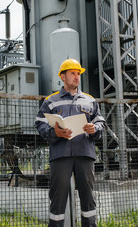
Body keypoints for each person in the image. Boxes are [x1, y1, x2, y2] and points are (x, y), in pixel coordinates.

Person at [35, 59, 106, 227]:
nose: (76, 77)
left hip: (84, 154)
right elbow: (40, 123)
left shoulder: (89, 100)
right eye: (72, 73)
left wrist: (93, 128)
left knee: (88, 197)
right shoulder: (51, 101)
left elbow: (101, 123)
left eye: (78, 74)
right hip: (61, 155)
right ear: (62, 76)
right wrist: (55, 132)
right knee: (58, 197)